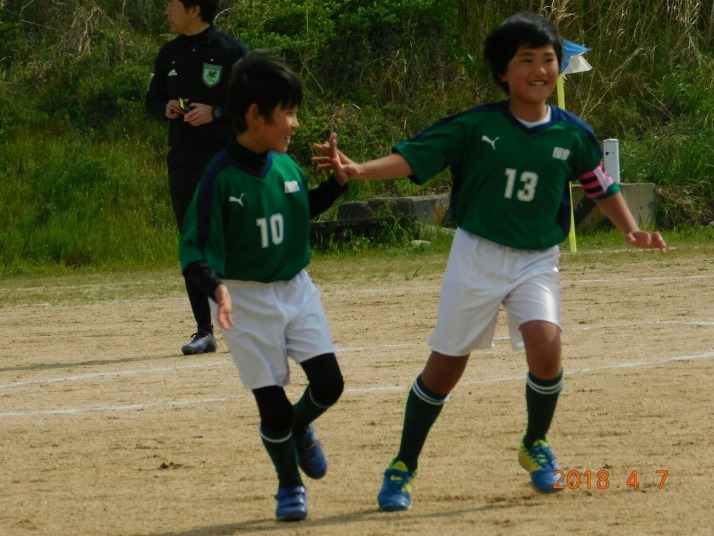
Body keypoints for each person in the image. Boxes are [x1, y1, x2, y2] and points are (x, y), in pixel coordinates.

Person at [313, 12, 666, 510]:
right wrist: (358, 169)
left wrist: (630, 229)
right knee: (444, 369)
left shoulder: (572, 133)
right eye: (527, 60)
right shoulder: (476, 125)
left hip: (537, 259)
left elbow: (598, 183)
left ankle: (535, 443)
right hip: (477, 255)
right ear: (503, 71)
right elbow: (415, 158)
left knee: (547, 349)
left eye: (549, 60)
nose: (540, 70)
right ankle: (403, 465)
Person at [179, 50, 348, 521]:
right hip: (244, 300)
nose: (295, 123)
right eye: (288, 112)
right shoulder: (218, 177)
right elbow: (194, 250)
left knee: (329, 384)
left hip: (296, 289)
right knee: (271, 409)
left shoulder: (286, 166)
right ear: (255, 115)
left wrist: (336, 185)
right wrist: (216, 288)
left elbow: (300, 210)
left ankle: (298, 427)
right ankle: (289, 484)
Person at [146, 0, 249, 355]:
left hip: (226, 161)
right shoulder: (169, 53)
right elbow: (151, 102)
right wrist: (166, 108)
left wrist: (216, 112)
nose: (166, 11)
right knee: (192, 243)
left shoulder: (232, 52)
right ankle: (204, 330)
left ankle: (252, 319)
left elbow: (253, 105)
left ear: (194, 9)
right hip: (184, 161)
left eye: (171, 4)